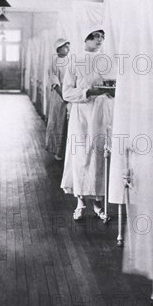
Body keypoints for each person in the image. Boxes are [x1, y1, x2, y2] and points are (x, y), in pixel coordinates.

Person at [60, 30, 114, 221]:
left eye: (102, 37)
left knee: (99, 156)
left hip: (101, 114)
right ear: (85, 38)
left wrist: (111, 90)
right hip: (81, 115)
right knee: (81, 156)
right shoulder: (75, 62)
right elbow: (67, 93)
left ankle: (98, 204)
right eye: (96, 36)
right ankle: (80, 202)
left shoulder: (106, 60)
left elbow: (112, 87)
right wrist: (88, 92)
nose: (100, 40)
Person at [45, 38, 70, 161]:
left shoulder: (71, 61)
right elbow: (55, 82)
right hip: (59, 97)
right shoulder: (54, 63)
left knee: (67, 124)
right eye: (66, 47)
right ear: (59, 49)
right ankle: (57, 151)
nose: (68, 49)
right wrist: (64, 96)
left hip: (69, 96)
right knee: (58, 122)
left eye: (68, 46)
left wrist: (70, 95)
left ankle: (67, 152)